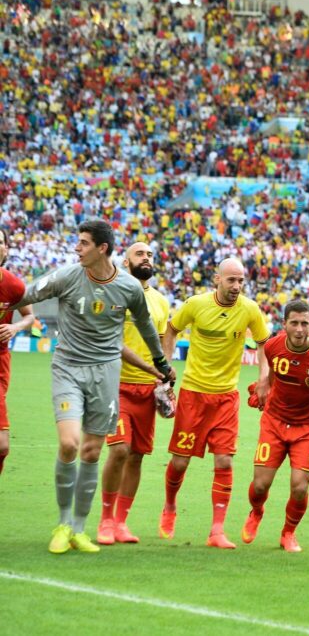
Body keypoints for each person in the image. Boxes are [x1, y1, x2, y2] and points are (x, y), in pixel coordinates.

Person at [16, 220, 173, 553]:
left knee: (91, 451)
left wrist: (160, 362)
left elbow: (146, 325)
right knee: (70, 444)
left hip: (106, 374)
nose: (77, 248)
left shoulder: (128, 287)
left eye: (84, 243)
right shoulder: (67, 276)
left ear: (102, 248)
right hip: (68, 369)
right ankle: (61, 523)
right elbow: (23, 294)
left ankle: (79, 529)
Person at [160, 258, 270, 549]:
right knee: (180, 462)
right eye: (231, 280)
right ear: (216, 279)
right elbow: (171, 329)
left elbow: (263, 344)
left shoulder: (250, 310)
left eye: (241, 281)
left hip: (226, 397)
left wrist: (263, 378)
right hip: (193, 395)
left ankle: (217, 531)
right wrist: (165, 365)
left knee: (224, 460)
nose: (236, 286)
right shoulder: (196, 304)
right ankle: (170, 505)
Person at [242, 300, 309, 553]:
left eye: (305, 323)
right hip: (275, 421)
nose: (300, 329)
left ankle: (288, 533)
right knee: (260, 486)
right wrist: (264, 388)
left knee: (300, 486)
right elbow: (271, 373)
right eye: (294, 323)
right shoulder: (272, 346)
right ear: (284, 325)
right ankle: (256, 511)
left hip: (308, 426)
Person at [97, 242, 171, 545]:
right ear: (126, 262)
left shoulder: (162, 302)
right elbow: (114, 342)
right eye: (140, 254)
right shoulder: (116, 294)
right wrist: (154, 369)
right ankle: (105, 520)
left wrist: (165, 379)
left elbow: (163, 344)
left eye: (150, 255)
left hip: (148, 389)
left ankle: (121, 522)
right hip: (116, 385)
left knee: (137, 456)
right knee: (119, 450)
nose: (147, 259)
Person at [0, 228, 35, 479]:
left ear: (6, 249)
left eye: (0, 241)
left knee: (2, 447)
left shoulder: (13, 285)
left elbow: (31, 316)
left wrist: (16, 326)